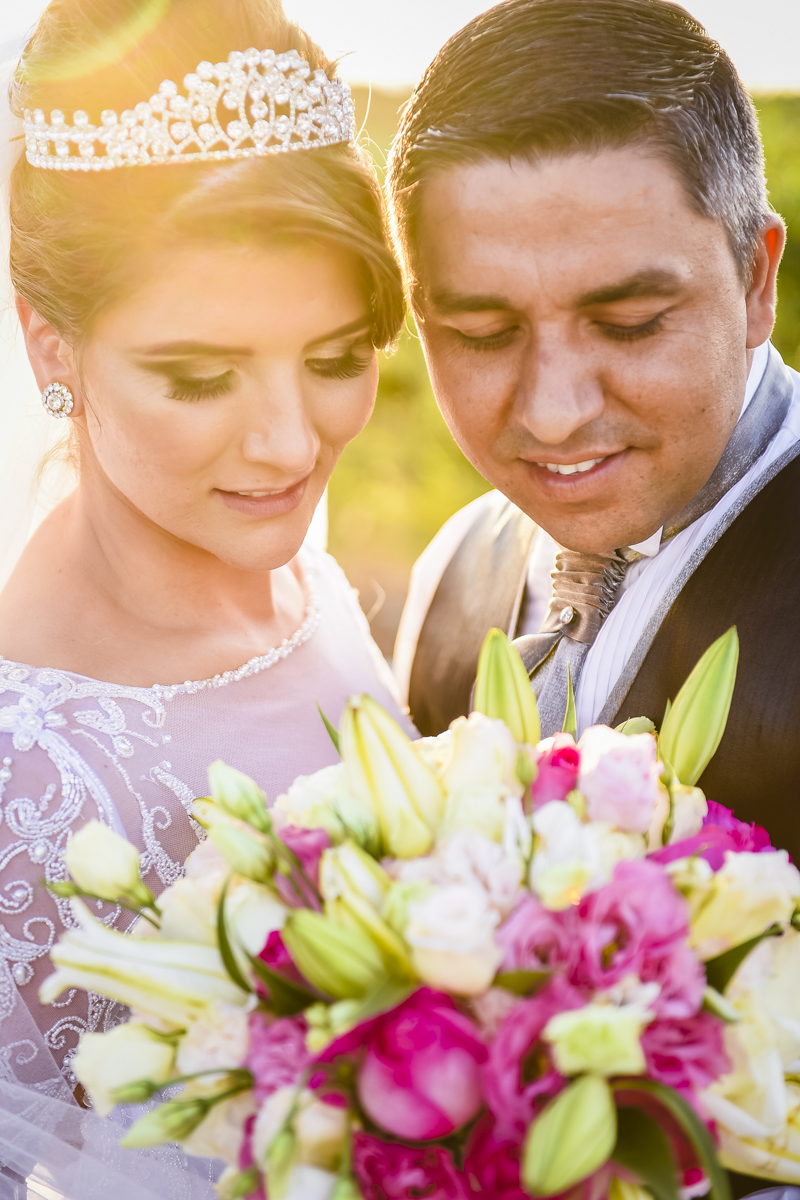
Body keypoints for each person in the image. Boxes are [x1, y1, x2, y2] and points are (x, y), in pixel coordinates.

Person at [0, 0, 410, 1188]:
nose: (288, 445)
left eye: (336, 360)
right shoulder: (25, 773)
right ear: (50, 349)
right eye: (197, 377)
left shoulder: (293, 568)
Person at [390, 0, 800, 871]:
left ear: (757, 279)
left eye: (630, 322)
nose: (553, 413)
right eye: (482, 334)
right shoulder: (451, 569)